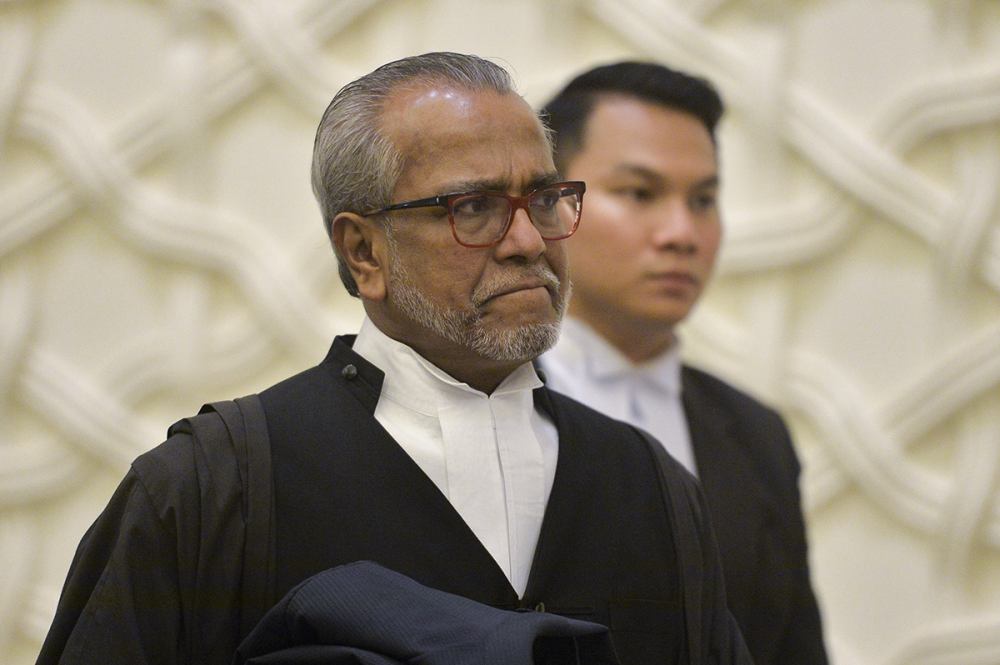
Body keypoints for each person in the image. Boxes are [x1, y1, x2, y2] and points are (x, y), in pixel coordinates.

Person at [36, 53, 750, 665]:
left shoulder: (653, 487)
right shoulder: (211, 490)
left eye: (543, 198)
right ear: (363, 251)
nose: (530, 240)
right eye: (474, 208)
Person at [538, 61, 829, 665]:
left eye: (703, 200)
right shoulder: (476, 400)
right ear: (550, 208)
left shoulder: (756, 435)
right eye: (639, 193)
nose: (681, 232)